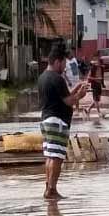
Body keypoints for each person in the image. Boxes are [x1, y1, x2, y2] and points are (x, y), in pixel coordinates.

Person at [39, 44, 89, 199]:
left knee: (50, 156)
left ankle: (48, 187)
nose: (65, 68)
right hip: (57, 122)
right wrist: (80, 95)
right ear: (57, 62)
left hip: (47, 119)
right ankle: (52, 190)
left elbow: (61, 97)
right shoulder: (57, 78)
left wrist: (75, 90)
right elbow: (68, 101)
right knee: (57, 157)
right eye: (64, 64)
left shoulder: (43, 77)